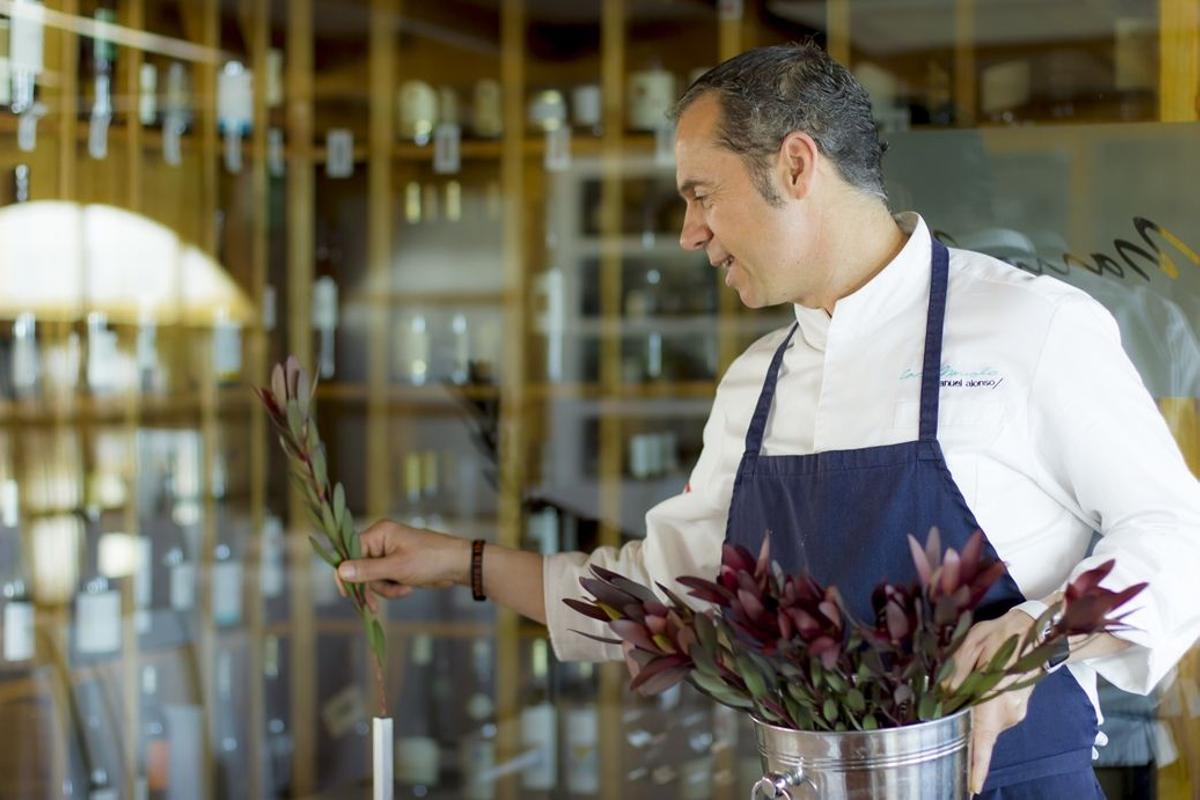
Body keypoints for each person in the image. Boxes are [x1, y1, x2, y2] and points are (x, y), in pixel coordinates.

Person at [335, 43, 1200, 798]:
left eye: (701, 194)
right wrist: (463, 564)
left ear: (795, 166)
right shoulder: (756, 382)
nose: (689, 233)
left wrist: (1033, 638)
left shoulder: (1028, 326)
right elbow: (661, 597)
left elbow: (1176, 529)